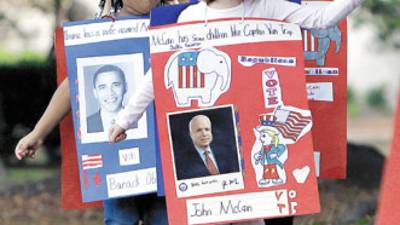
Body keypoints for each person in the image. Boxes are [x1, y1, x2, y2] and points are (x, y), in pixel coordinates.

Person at [108, 0, 364, 224]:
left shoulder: (268, 7)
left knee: (257, 212)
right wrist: (124, 121)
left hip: (259, 133)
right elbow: (158, 74)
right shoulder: (191, 18)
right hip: (219, 136)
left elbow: (322, 19)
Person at [14, 1, 169, 225]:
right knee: (119, 220)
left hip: (162, 157)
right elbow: (73, 85)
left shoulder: (174, 23)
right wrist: (38, 132)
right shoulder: (102, 28)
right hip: (114, 157)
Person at [175, 114, 240, 180]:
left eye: (207, 129)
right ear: (191, 135)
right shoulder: (182, 162)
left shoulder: (228, 152)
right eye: (199, 130)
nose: (204, 134)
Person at [86, 64, 138, 133]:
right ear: (95, 93)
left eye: (116, 85)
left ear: (126, 87)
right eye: (103, 87)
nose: (110, 93)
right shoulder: (86, 125)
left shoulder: (138, 120)